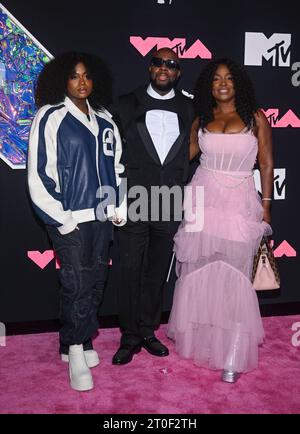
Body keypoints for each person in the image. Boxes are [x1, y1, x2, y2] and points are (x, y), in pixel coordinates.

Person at [167, 58, 274, 383]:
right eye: (216, 79)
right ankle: (200, 341)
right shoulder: (201, 119)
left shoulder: (256, 119)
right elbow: (181, 156)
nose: (223, 83)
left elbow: (266, 165)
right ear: (208, 86)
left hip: (240, 200)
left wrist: (266, 205)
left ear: (238, 83)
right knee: (199, 270)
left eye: (228, 78)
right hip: (202, 197)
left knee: (237, 277)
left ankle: (233, 352)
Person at [27, 52, 126, 391]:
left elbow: (117, 168)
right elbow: (39, 172)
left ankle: (79, 342)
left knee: (96, 282)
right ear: (62, 81)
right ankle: (75, 349)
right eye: (73, 76)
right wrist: (61, 218)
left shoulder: (105, 119)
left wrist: (119, 204)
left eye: (86, 76)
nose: (81, 82)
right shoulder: (50, 116)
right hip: (69, 218)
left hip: (102, 216)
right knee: (77, 285)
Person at [112, 48, 194, 365]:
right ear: (150, 68)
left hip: (170, 199)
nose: (164, 68)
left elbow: (192, 150)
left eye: (171, 64)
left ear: (178, 73)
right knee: (130, 269)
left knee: (157, 271)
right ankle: (129, 335)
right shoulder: (125, 103)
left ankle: (148, 330)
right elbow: (111, 155)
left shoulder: (189, 108)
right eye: (159, 62)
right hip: (132, 197)